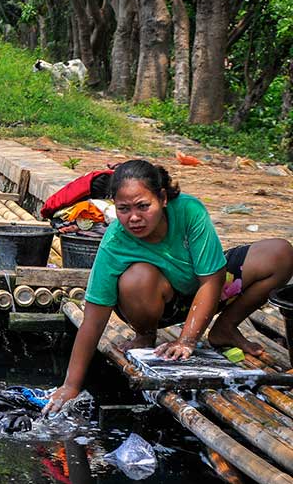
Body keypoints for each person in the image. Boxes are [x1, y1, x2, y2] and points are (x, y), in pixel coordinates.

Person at [44, 159, 293, 415]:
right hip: (158, 304)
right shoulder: (115, 242)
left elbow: (211, 279)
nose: (134, 218)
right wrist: (70, 386)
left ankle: (225, 328)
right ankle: (145, 334)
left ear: (162, 198)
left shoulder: (189, 211)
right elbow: (93, 322)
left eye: (143, 206)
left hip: (207, 291)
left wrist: (187, 340)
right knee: (136, 277)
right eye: (123, 209)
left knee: (281, 253)